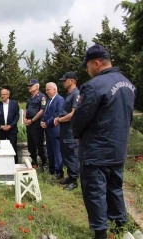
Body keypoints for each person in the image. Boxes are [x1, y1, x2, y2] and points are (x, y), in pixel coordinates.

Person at [72, 44, 136, 239]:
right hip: (118, 148)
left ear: (96, 63)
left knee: (95, 190)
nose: (87, 70)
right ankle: (119, 226)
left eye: (88, 66)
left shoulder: (94, 86)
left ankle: (100, 233)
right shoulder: (127, 84)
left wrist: (77, 133)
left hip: (97, 149)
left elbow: (81, 117)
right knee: (115, 187)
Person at [53, 72, 80, 191]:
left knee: (71, 154)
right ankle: (70, 176)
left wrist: (59, 119)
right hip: (64, 130)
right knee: (66, 154)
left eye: (65, 80)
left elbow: (74, 114)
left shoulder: (76, 94)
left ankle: (74, 180)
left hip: (70, 131)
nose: (63, 82)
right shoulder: (69, 95)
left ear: (72, 81)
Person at [23, 79, 48, 170]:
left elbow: (42, 110)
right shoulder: (29, 98)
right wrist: (24, 118)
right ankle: (34, 161)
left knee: (39, 144)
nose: (29, 87)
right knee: (31, 144)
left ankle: (44, 163)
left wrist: (32, 120)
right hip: (29, 124)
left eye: (31, 85)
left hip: (36, 124)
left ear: (37, 86)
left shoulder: (42, 97)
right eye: (29, 85)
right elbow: (26, 109)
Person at [41, 82, 64, 178]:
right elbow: (45, 112)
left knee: (57, 151)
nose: (46, 92)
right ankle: (52, 169)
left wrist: (47, 123)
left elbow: (57, 114)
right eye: (46, 90)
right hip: (48, 129)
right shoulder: (49, 100)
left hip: (55, 129)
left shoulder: (60, 99)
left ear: (55, 89)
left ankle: (59, 171)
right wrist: (42, 121)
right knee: (50, 150)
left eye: (48, 89)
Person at [0, 88, 20, 164]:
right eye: (1, 94)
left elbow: (17, 116)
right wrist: (0, 126)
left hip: (12, 130)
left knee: (13, 148)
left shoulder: (14, 104)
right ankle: (2, 164)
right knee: (1, 148)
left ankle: (14, 164)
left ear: (8, 95)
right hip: (1, 131)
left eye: (4, 94)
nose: (2, 96)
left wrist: (11, 126)